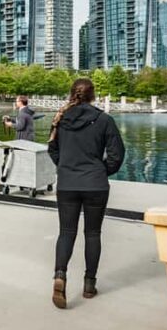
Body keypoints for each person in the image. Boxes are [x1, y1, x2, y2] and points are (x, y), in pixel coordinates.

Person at [47, 78, 125, 309]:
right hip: (95, 185)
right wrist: (102, 170)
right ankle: (89, 285)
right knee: (93, 233)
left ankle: (60, 275)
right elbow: (117, 155)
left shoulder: (60, 119)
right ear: (93, 95)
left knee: (66, 232)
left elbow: (52, 149)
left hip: (68, 183)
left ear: (72, 93)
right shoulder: (104, 120)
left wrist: (66, 166)